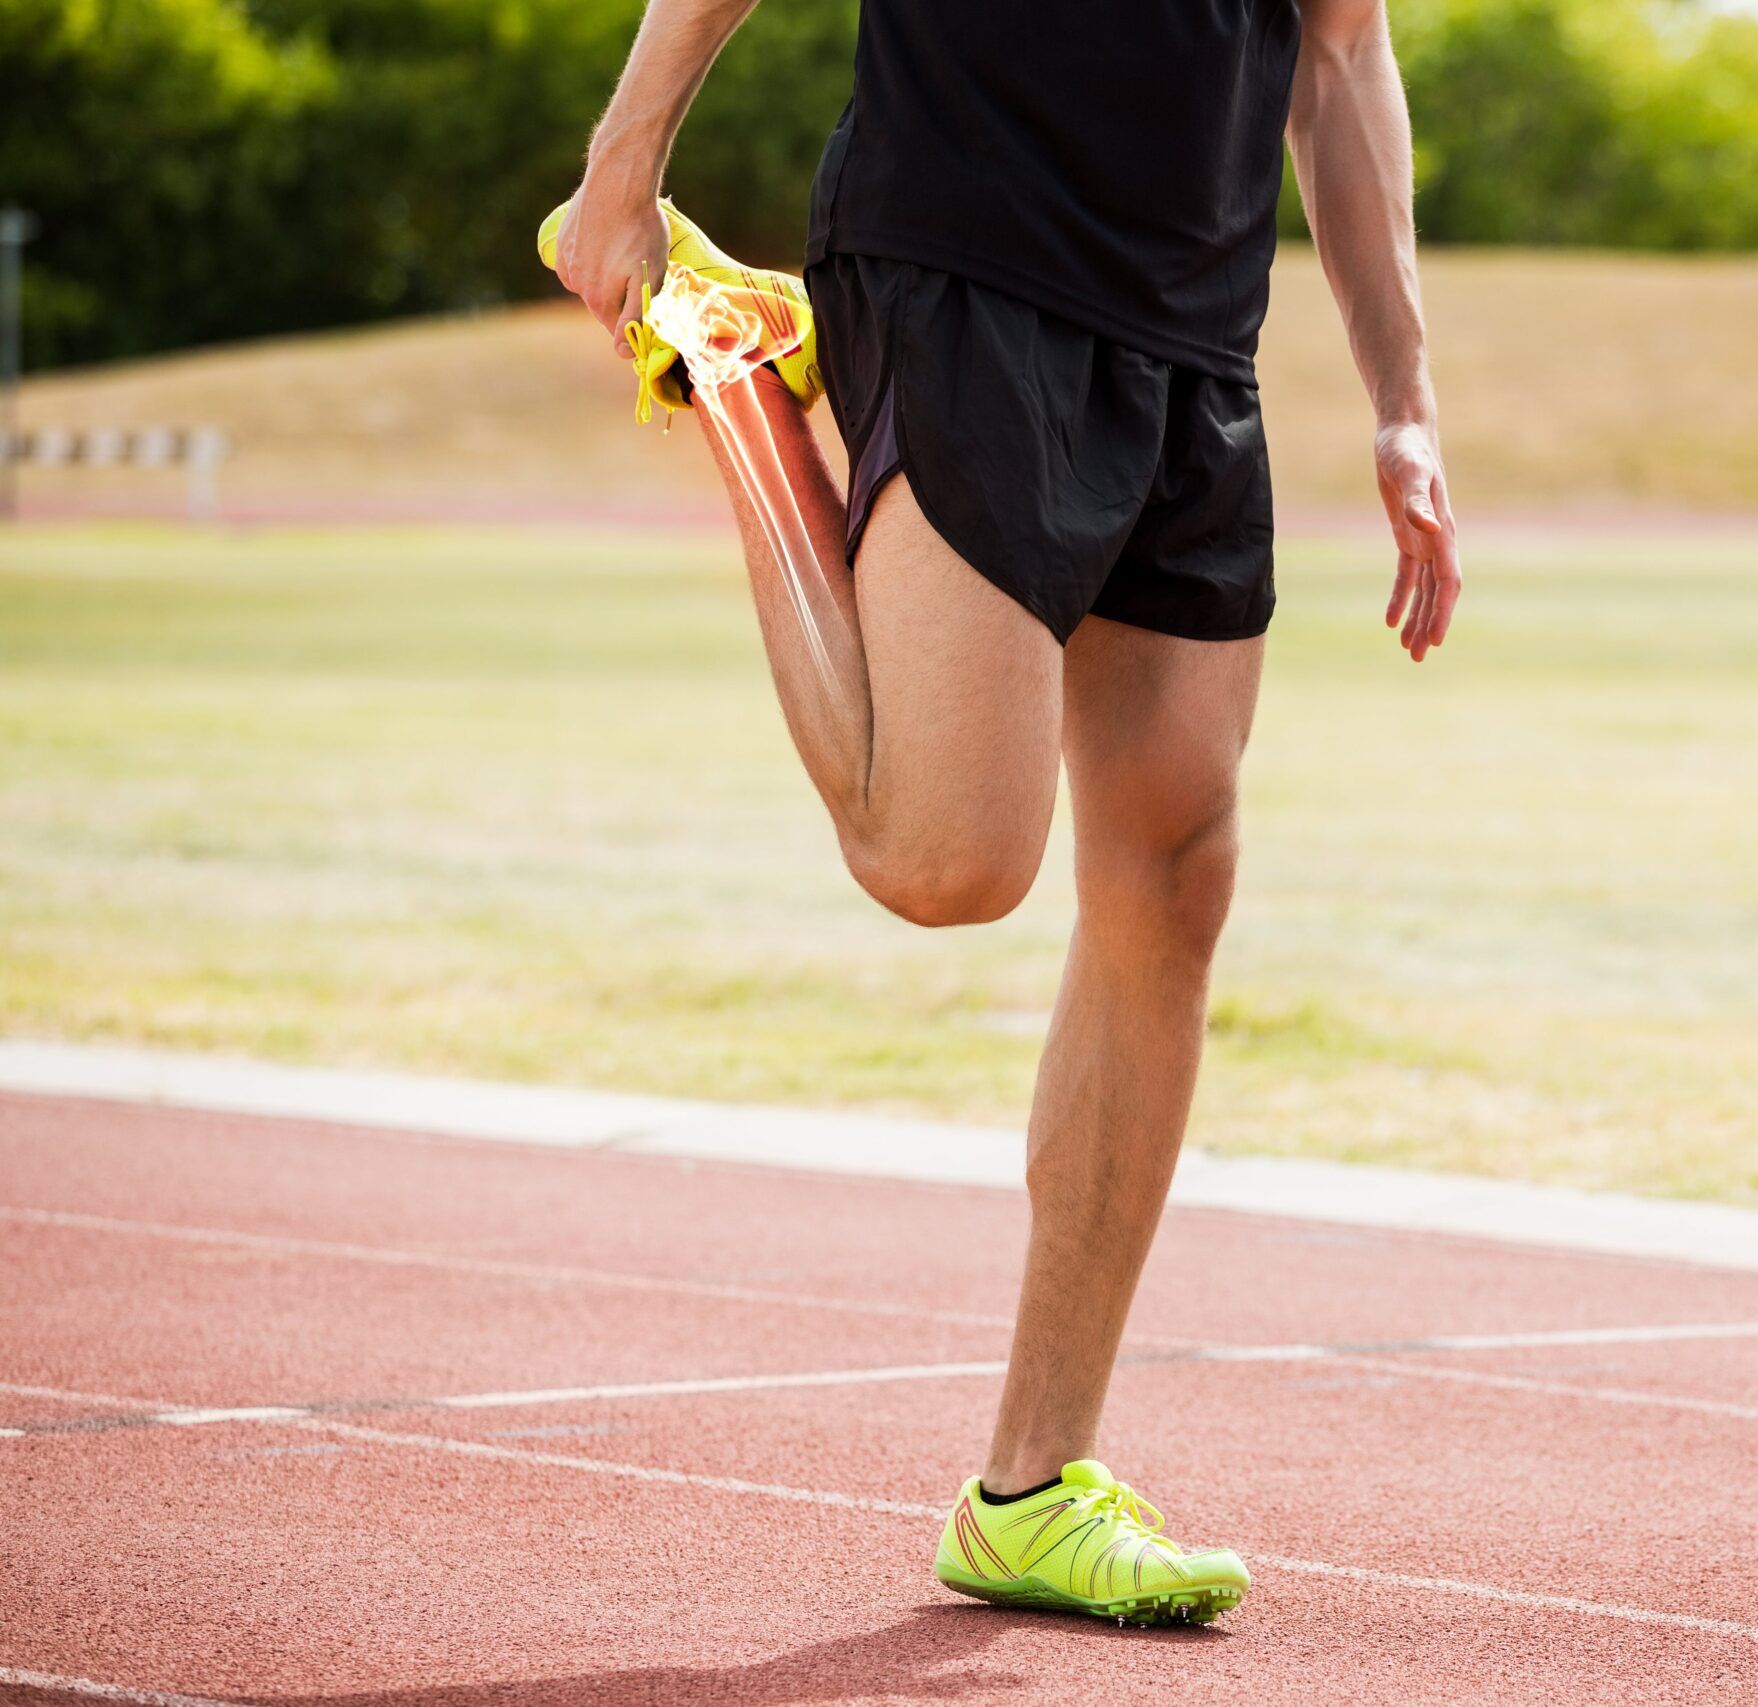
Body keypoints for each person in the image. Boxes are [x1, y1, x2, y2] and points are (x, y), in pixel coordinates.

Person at [542, 0, 1459, 1627]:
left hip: (1191, 327)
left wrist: (1405, 400)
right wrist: (625, 171)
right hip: (966, 258)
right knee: (944, 858)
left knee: (1175, 876)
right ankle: (739, 382)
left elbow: (1341, 50)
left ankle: (1032, 1490)